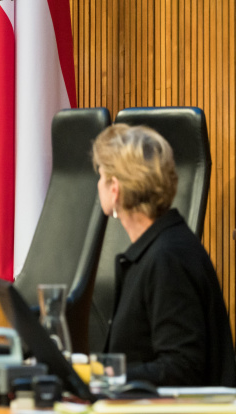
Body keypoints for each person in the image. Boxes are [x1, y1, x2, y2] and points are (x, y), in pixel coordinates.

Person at [93, 124, 236, 386]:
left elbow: (182, 367)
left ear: (115, 188)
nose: (98, 184)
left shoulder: (169, 258)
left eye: (100, 176)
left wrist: (107, 378)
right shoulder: (158, 249)